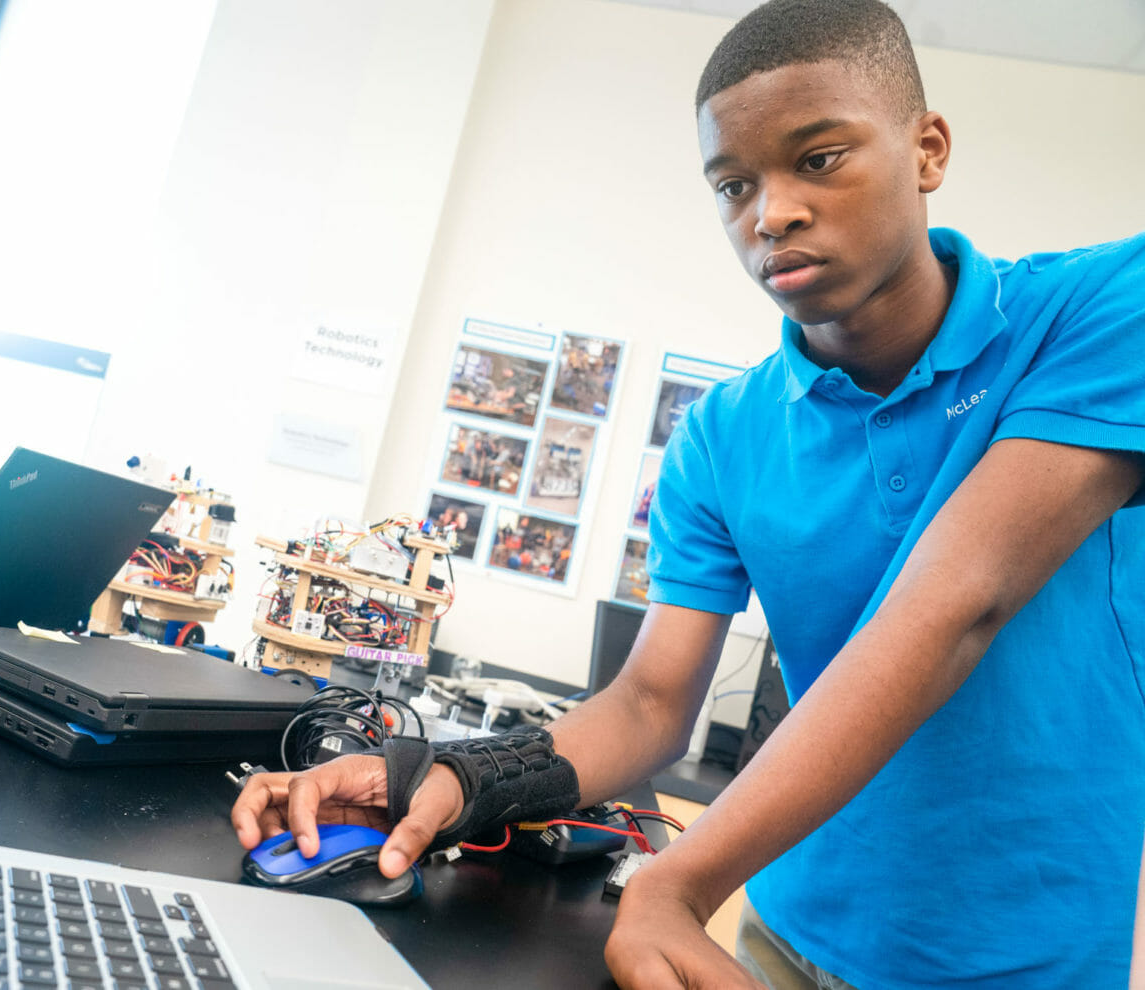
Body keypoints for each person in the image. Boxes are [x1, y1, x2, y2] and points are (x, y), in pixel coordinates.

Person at [232, 1, 1145, 986]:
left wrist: (678, 882)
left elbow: (963, 596)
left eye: (820, 158)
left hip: (1034, 965)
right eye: (732, 184)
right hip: (785, 943)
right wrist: (452, 776)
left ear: (927, 150)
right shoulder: (720, 436)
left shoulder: (1095, 312)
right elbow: (651, 704)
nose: (772, 213)